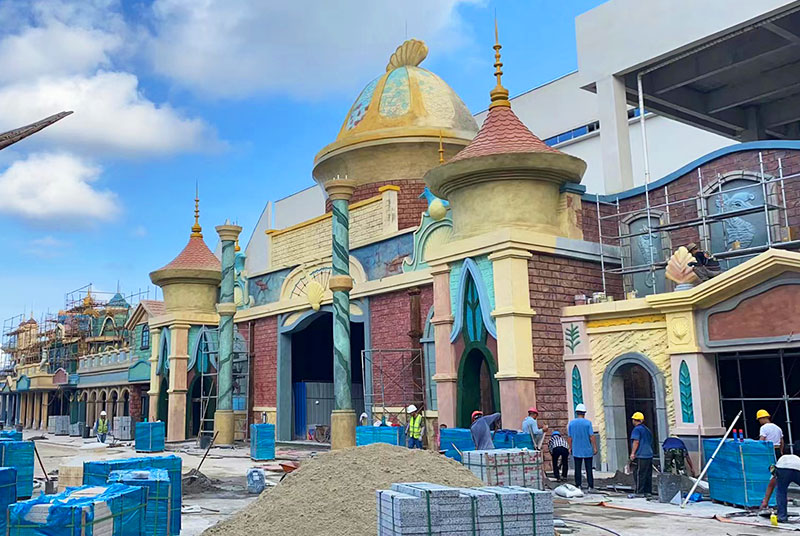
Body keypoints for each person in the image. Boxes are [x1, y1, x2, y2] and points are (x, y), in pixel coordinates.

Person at [760, 453, 800, 522]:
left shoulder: (777, 469)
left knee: (781, 491)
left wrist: (765, 502)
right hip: (798, 468)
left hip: (783, 468)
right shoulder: (790, 459)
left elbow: (771, 486)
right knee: (781, 491)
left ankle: (782, 517)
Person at [567, 403, 597, 491]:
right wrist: (594, 447)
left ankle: (578, 485)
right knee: (589, 468)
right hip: (587, 449)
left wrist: (570, 447)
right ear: (584, 413)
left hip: (576, 449)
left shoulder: (571, 423)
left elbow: (570, 437)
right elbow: (591, 436)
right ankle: (590, 486)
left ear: (576, 412)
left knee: (577, 468)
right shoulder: (588, 423)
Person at [629, 411, 654, 497]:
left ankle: (639, 492)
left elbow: (636, 441)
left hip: (641, 455)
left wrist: (633, 453)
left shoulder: (637, 429)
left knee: (639, 474)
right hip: (649, 454)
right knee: (647, 474)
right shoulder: (647, 429)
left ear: (635, 420)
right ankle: (648, 491)